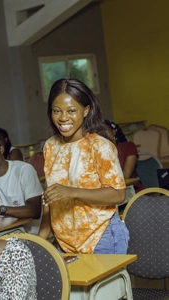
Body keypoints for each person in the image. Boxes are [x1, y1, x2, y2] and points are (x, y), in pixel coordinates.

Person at [38, 78, 129, 254]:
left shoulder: (99, 146)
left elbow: (118, 194)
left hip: (101, 238)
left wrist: (72, 192)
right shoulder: (51, 146)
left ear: (86, 110)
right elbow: (51, 200)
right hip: (65, 242)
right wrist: (40, 241)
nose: (63, 118)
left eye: (71, 111)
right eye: (57, 111)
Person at [103, 119, 145, 193]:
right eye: (98, 132)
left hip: (131, 190)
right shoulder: (98, 151)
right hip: (109, 192)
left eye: (104, 130)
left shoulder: (128, 146)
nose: (102, 134)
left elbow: (126, 175)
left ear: (114, 131)